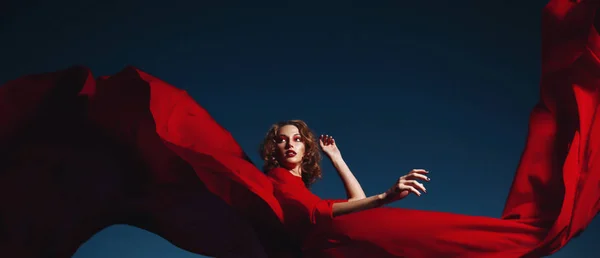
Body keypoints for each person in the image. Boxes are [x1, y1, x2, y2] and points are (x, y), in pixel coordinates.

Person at [0, 0, 599, 257]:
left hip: (343, 242)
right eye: (284, 138)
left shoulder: (301, 185)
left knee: (509, 238)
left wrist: (340, 161)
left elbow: (347, 205)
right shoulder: (262, 184)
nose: (291, 142)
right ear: (272, 147)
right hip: (328, 245)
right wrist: (386, 196)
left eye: (299, 139)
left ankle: (579, 69)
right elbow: (319, 217)